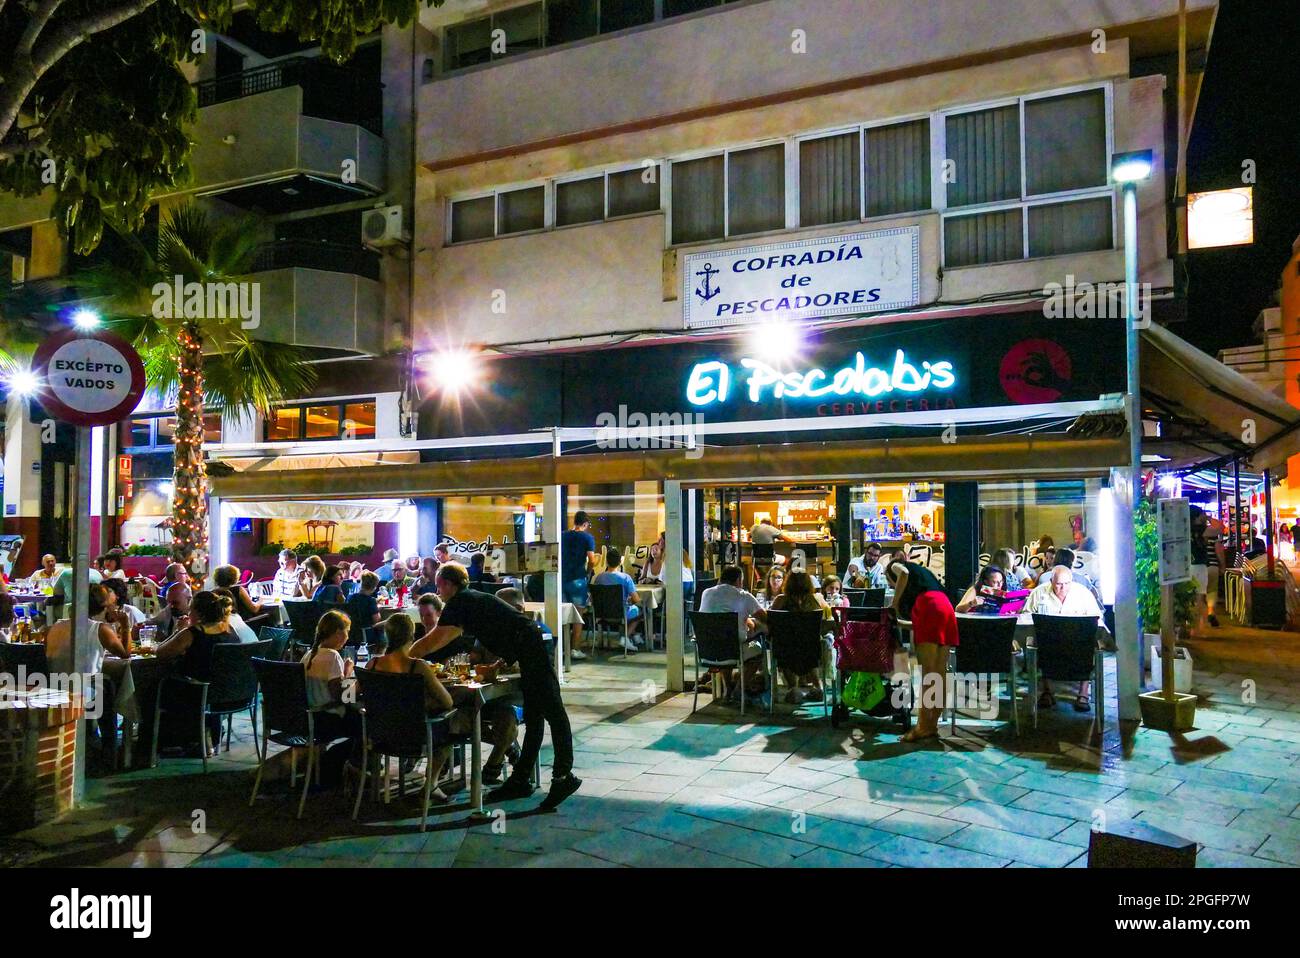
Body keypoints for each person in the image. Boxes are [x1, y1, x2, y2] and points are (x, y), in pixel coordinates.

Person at [411, 562, 581, 810]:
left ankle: (563, 776)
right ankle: (521, 779)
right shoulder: (472, 599)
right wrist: (500, 664)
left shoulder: (459, 603)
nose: (438, 592)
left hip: (531, 646)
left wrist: (405, 658)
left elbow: (432, 642)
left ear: (448, 584)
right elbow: (503, 628)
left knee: (554, 712)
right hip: (528, 645)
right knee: (535, 716)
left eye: (439, 586)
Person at [152, 591, 243, 752]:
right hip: (228, 692)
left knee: (153, 687)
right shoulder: (230, 630)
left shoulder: (191, 634)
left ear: (198, 612)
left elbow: (161, 653)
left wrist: (177, 631)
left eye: (191, 609)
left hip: (195, 693)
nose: (188, 612)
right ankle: (205, 733)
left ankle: (159, 741)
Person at [887, 558, 958, 742]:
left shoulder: (897, 566)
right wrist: (899, 622)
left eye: (891, 582)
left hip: (929, 607)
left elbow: (903, 573)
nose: (894, 586)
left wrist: (893, 605)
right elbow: (922, 624)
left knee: (928, 674)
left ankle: (922, 727)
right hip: (945, 607)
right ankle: (932, 725)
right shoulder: (926, 579)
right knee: (939, 674)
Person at [1025, 565, 1104, 712]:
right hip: (1049, 642)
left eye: (1066, 584)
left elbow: (1096, 617)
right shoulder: (1039, 593)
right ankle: (1047, 691)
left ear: (1071, 581)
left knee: (1088, 646)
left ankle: (1083, 693)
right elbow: (1026, 616)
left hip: (1077, 642)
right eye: (1058, 584)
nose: (1063, 588)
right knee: (1040, 645)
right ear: (1051, 581)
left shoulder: (1083, 593)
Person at [300, 610, 363, 781]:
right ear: (337, 632)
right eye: (347, 632)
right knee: (367, 726)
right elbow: (343, 697)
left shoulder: (309, 654)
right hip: (327, 717)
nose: (348, 637)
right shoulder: (332, 656)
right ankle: (349, 766)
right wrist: (350, 672)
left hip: (309, 716)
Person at [697, 566, 767, 697]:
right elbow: (764, 618)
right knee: (757, 647)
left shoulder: (706, 593)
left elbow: (721, 614)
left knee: (724, 641)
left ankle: (728, 688)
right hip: (736, 650)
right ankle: (739, 689)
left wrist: (745, 620)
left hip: (708, 649)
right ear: (739, 580)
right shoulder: (744, 596)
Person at [770, 570, 832, 703]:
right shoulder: (816, 600)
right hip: (811, 650)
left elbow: (771, 622)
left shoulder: (780, 600)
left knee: (783, 645)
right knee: (810, 645)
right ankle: (817, 686)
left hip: (786, 650)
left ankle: (793, 688)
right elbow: (827, 619)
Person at [560, 511, 598, 661]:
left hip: (562, 579)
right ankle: (575, 649)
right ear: (585, 524)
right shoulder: (587, 538)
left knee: (563, 615)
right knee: (577, 616)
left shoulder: (563, 535)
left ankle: (563, 648)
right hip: (578, 579)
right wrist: (587, 573)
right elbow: (592, 560)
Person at [592, 549, 642, 652]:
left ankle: (634, 636)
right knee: (639, 611)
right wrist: (629, 602)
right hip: (621, 613)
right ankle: (625, 637)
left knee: (630, 610)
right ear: (620, 562)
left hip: (601, 614)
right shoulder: (625, 578)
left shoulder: (598, 578)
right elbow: (636, 599)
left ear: (606, 561)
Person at [344, 571, 382, 651]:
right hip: (365, 632)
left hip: (351, 632)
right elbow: (376, 620)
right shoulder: (371, 600)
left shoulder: (351, 597)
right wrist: (377, 609)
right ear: (374, 587)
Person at [1189, 506, 1210, 634]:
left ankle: (1193, 627)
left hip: (1188, 566)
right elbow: (1220, 528)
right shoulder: (1203, 529)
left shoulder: (1185, 527)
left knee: (1191, 599)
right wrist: (1209, 518)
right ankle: (1199, 628)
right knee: (1200, 598)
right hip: (1199, 566)